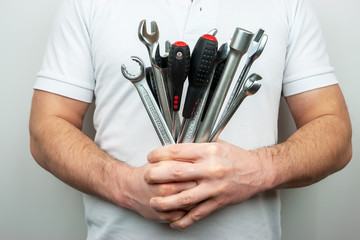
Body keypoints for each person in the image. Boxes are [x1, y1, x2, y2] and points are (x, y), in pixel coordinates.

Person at [29, 0, 352, 239]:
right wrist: (122, 185)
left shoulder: (288, 5)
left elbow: (335, 132)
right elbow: (46, 128)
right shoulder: (86, 4)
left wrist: (258, 170)